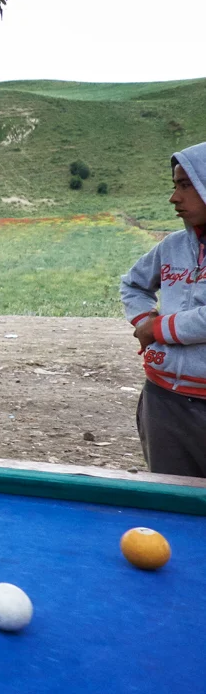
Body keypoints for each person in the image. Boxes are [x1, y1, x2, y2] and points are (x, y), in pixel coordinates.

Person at [121, 141, 206, 478]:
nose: (174, 197)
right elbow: (133, 284)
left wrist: (155, 330)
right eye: (174, 186)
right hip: (162, 403)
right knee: (171, 505)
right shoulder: (171, 247)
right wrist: (144, 318)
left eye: (186, 185)